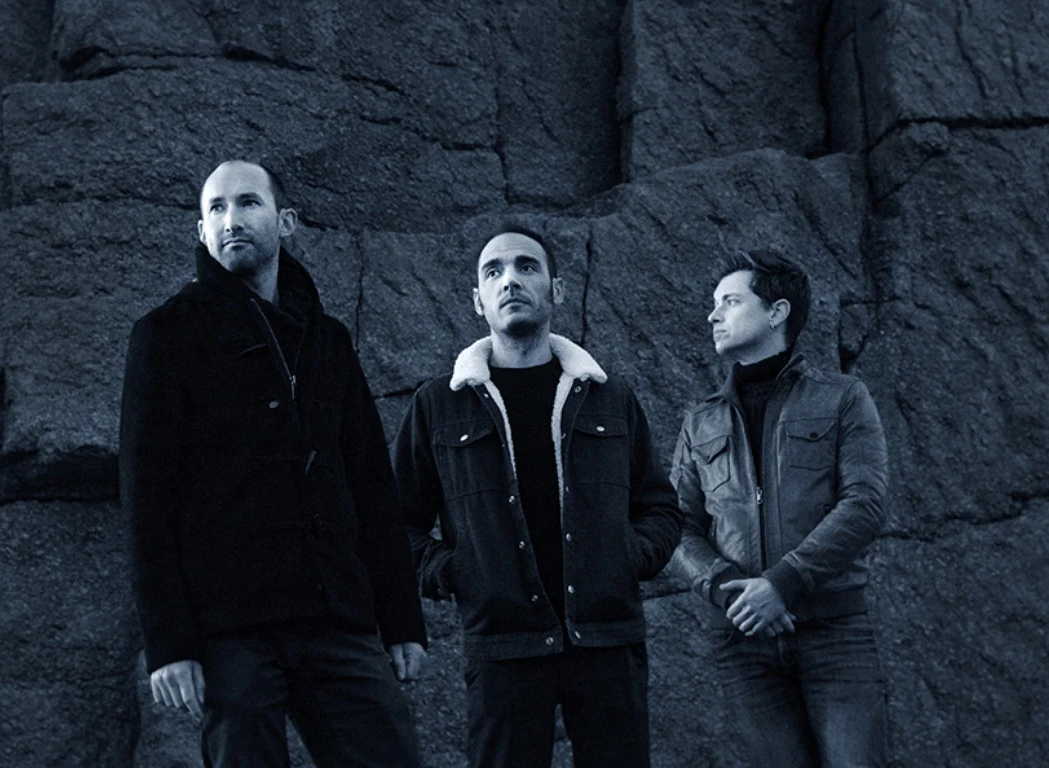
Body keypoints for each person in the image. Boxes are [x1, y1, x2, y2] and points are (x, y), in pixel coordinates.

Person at [120, 160, 428, 767]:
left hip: (335, 614)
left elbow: (371, 485)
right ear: (201, 230)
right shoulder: (165, 334)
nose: (231, 219)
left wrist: (401, 620)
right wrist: (169, 644)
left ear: (285, 221)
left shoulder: (328, 339)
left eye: (248, 202)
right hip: (229, 628)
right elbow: (145, 499)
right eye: (216, 208)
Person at [392, 227, 681, 768]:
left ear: (558, 289)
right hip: (502, 645)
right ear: (477, 300)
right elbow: (395, 524)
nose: (510, 281)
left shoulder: (608, 395)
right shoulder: (439, 405)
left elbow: (660, 507)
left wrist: (628, 555)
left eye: (527, 266)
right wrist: (456, 572)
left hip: (607, 640)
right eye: (494, 271)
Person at [670, 250, 890, 767]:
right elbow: (674, 526)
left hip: (834, 633)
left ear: (777, 311)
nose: (713, 315)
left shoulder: (844, 397)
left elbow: (865, 503)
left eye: (730, 301)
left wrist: (783, 583)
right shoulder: (699, 421)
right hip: (742, 643)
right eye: (714, 304)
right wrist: (731, 592)